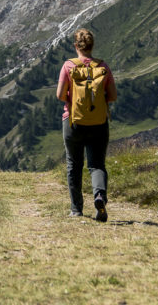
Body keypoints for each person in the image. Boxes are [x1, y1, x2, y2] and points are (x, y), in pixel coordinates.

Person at [56, 27, 117, 221]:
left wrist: (73, 100)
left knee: (74, 165)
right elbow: (113, 96)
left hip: (73, 122)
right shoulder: (103, 67)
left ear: (76, 46)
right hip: (99, 122)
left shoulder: (69, 66)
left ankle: (76, 209)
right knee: (97, 164)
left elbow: (59, 95)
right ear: (92, 46)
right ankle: (99, 195)